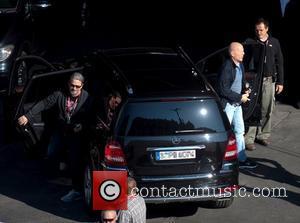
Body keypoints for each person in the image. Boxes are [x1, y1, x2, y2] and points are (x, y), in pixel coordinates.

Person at [18, 72, 92, 202]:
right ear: (68, 84)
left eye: (77, 86)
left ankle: (76, 189)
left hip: (76, 133)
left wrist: (83, 125)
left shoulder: (87, 98)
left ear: (82, 86)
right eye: (72, 85)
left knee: (75, 160)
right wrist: (27, 116)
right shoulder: (60, 94)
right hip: (62, 130)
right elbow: (44, 103)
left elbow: (92, 115)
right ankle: (60, 172)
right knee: (51, 152)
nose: (73, 89)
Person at [245, 18, 284, 151]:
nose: (259, 32)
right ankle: (249, 139)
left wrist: (280, 82)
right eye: (257, 30)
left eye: (261, 30)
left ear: (267, 29)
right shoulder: (252, 43)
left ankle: (263, 135)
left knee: (267, 109)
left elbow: (280, 63)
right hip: (255, 80)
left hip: (269, 81)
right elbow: (245, 62)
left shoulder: (274, 42)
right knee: (253, 108)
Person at [218, 42, 257, 169]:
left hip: (237, 104)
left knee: (240, 131)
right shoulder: (226, 67)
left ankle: (241, 159)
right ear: (232, 53)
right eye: (241, 51)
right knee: (225, 134)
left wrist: (245, 88)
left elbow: (241, 80)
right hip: (228, 105)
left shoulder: (240, 65)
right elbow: (223, 90)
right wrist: (241, 97)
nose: (244, 53)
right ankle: (221, 161)